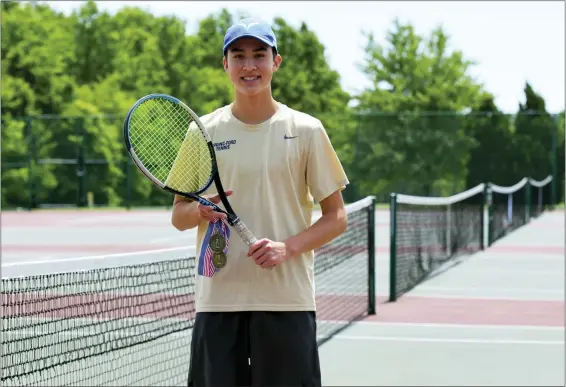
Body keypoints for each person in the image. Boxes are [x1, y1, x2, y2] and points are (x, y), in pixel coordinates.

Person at [171, 17, 349, 387]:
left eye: (258, 55)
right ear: (225, 64)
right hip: (219, 301)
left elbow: (336, 218)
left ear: (275, 62)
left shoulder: (306, 130)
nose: (249, 65)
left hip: (287, 301)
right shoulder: (201, 132)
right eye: (238, 56)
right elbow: (179, 217)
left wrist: (287, 247)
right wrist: (200, 210)